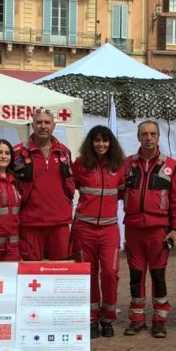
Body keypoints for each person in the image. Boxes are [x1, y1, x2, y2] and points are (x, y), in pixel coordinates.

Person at [122, 120, 176, 338]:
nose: (148, 138)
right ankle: (137, 319)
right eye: (144, 134)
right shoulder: (127, 164)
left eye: (152, 134)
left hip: (159, 231)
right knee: (135, 276)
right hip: (134, 230)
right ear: (138, 137)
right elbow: (117, 192)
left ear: (158, 136)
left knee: (158, 276)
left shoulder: (171, 165)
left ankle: (159, 320)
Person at [70, 126, 126, 339]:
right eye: (97, 140)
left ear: (110, 143)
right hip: (84, 229)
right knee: (88, 275)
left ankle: (107, 318)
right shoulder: (79, 165)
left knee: (110, 274)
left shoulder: (119, 166)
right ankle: (91, 319)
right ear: (90, 143)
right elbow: (68, 188)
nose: (101, 144)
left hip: (109, 229)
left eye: (105, 140)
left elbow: (124, 191)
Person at [12, 109, 75, 261]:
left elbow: (70, 182)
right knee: (31, 270)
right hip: (30, 222)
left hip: (59, 222)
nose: (43, 126)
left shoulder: (64, 152)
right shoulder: (19, 152)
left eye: (47, 122)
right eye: (39, 122)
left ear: (53, 126)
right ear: (32, 125)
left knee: (60, 270)